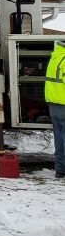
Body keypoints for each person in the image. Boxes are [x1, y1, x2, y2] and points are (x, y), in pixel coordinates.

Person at [45, 39, 65, 179]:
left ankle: (60, 170)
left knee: (59, 139)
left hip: (54, 104)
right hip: (63, 102)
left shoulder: (55, 57)